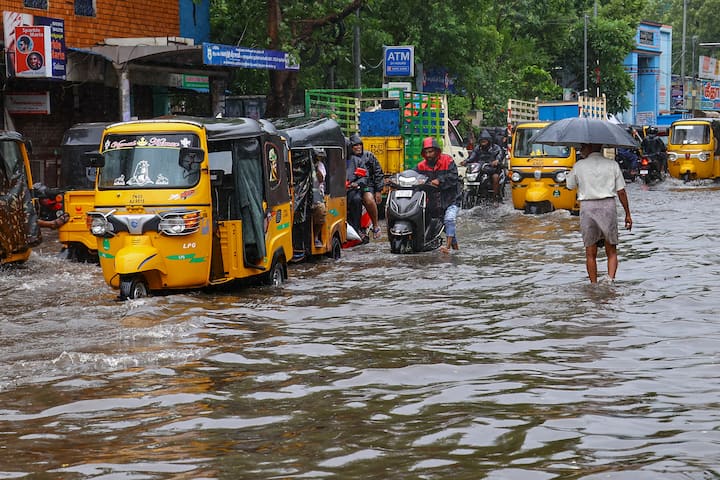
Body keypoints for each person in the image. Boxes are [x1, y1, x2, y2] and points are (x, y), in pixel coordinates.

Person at [566, 143, 632, 284]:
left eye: (583, 147)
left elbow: (569, 185)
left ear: (589, 148)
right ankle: (610, 281)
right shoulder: (612, 165)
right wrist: (627, 214)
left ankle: (594, 285)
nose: (581, 150)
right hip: (608, 206)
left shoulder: (579, 165)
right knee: (611, 249)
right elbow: (621, 191)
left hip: (587, 207)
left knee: (590, 252)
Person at [414, 137, 462, 253]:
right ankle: (455, 250)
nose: (429, 154)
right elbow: (412, 175)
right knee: (445, 226)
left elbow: (454, 177)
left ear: (436, 151)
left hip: (451, 200)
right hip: (433, 203)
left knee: (449, 219)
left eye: (431, 151)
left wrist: (439, 181)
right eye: (426, 152)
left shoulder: (448, 161)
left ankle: (448, 248)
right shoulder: (421, 166)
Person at [347, 134, 384, 239]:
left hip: (368, 186)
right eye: (355, 145)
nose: (358, 147)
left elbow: (378, 172)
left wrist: (378, 190)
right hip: (352, 188)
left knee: (369, 200)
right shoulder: (348, 159)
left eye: (360, 145)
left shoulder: (369, 156)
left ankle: (376, 226)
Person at [465, 129, 504, 200]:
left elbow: (500, 155)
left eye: (484, 141)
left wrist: (496, 161)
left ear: (489, 140)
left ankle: (495, 197)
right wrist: (465, 161)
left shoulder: (496, 148)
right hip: (480, 169)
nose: (483, 143)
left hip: (493, 169)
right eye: (481, 141)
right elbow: (472, 157)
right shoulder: (477, 148)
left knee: (495, 178)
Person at [311, 148, 327, 248]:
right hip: (302, 192)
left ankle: (316, 236)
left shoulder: (320, 165)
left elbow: (320, 179)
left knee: (321, 210)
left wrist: (315, 167)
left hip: (317, 193)